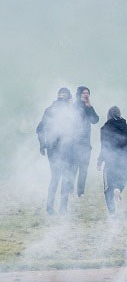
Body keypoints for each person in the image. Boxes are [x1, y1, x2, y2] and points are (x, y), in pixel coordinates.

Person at [37, 87, 76, 215]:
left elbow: (40, 129)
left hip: (53, 149)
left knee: (55, 178)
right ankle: (63, 209)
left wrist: (43, 145)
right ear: (69, 98)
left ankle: (50, 208)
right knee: (65, 178)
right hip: (65, 149)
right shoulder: (70, 112)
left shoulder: (49, 110)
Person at [97, 107, 127, 216]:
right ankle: (118, 189)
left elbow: (104, 147)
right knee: (121, 182)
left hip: (110, 162)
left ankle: (112, 213)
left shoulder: (105, 129)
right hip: (125, 162)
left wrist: (99, 161)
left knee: (108, 189)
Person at [69, 86, 99, 198]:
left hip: (86, 144)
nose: (86, 95)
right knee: (73, 168)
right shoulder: (73, 107)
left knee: (84, 169)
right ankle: (70, 190)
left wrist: (89, 107)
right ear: (79, 95)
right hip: (74, 143)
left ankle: (80, 192)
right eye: (84, 93)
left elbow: (95, 120)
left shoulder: (88, 107)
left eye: (88, 93)